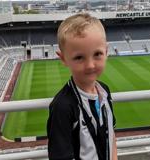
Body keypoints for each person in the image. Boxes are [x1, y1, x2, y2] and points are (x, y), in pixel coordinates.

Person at [47, 13, 117, 160]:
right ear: (63, 59)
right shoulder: (63, 106)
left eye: (97, 54)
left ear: (107, 52)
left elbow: (111, 136)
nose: (90, 65)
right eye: (79, 57)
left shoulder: (104, 91)